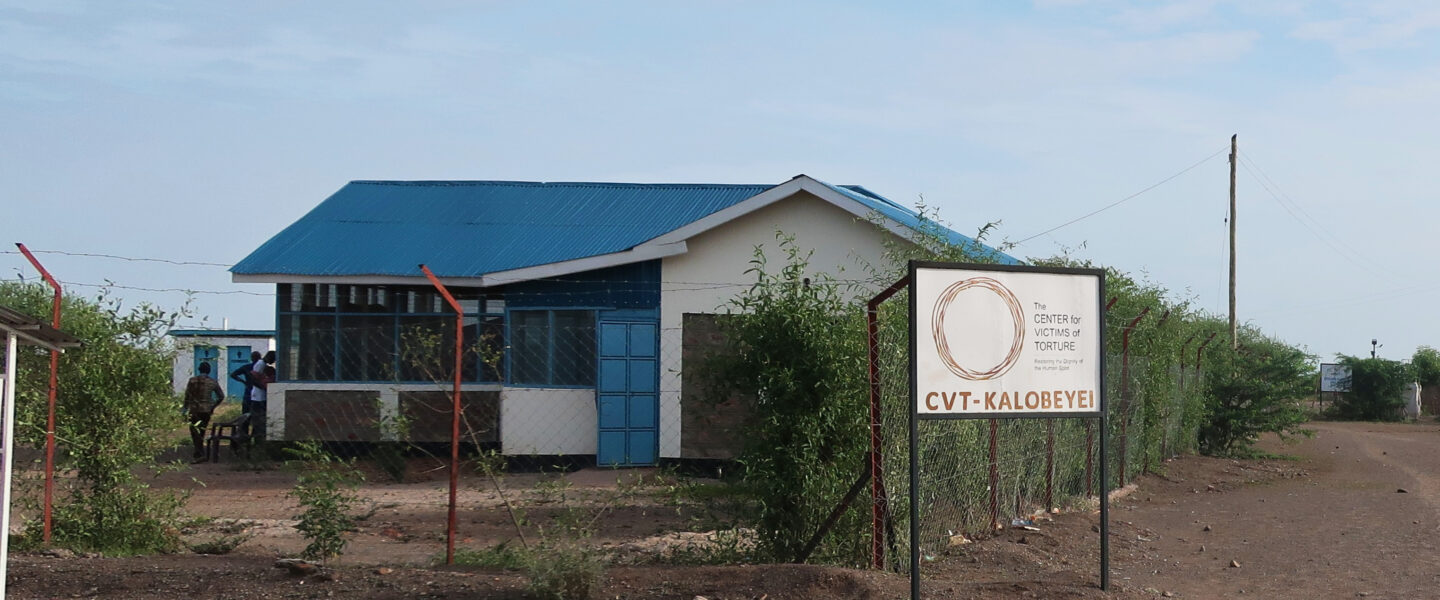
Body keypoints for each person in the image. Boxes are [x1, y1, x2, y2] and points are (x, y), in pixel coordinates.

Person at [183, 361, 224, 463]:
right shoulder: (212, 382)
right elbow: (221, 396)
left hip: (194, 409)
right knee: (202, 431)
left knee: (194, 431)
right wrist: (213, 406)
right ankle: (200, 452)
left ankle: (199, 452)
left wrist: (184, 409)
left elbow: (187, 396)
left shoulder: (192, 381)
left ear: (199, 369)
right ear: (209, 371)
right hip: (206, 409)